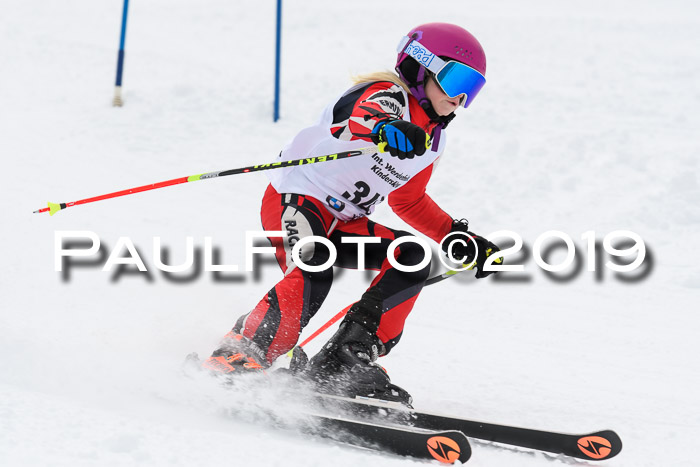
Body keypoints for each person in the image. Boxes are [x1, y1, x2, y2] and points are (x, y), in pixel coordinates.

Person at [202, 22, 502, 402]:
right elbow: (366, 117)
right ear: (419, 67)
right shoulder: (386, 94)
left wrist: (457, 237)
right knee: (315, 264)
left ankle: (344, 359)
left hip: (346, 221)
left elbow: (407, 201)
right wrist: (387, 128)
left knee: (411, 257)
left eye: (472, 89)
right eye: (455, 78)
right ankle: (241, 352)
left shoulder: (433, 140)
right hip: (298, 200)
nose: (460, 97)